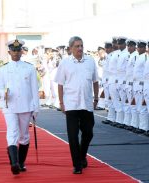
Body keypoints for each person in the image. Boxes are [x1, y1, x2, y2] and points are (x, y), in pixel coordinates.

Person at [54, 36, 99, 174]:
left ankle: (82, 154)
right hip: (71, 104)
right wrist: (61, 102)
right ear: (71, 48)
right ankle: (77, 165)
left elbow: (95, 81)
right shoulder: (65, 63)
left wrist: (96, 99)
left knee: (88, 133)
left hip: (86, 104)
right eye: (77, 46)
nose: (80, 48)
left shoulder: (90, 61)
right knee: (72, 136)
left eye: (81, 46)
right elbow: (60, 84)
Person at [0, 39, 39, 175]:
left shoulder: (29, 68)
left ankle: (21, 162)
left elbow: (34, 89)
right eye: (13, 50)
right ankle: (14, 164)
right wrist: (3, 93)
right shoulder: (3, 69)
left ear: (21, 51)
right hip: (10, 106)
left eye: (18, 50)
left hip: (25, 106)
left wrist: (36, 108)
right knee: (12, 132)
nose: (15, 52)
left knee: (24, 136)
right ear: (9, 52)